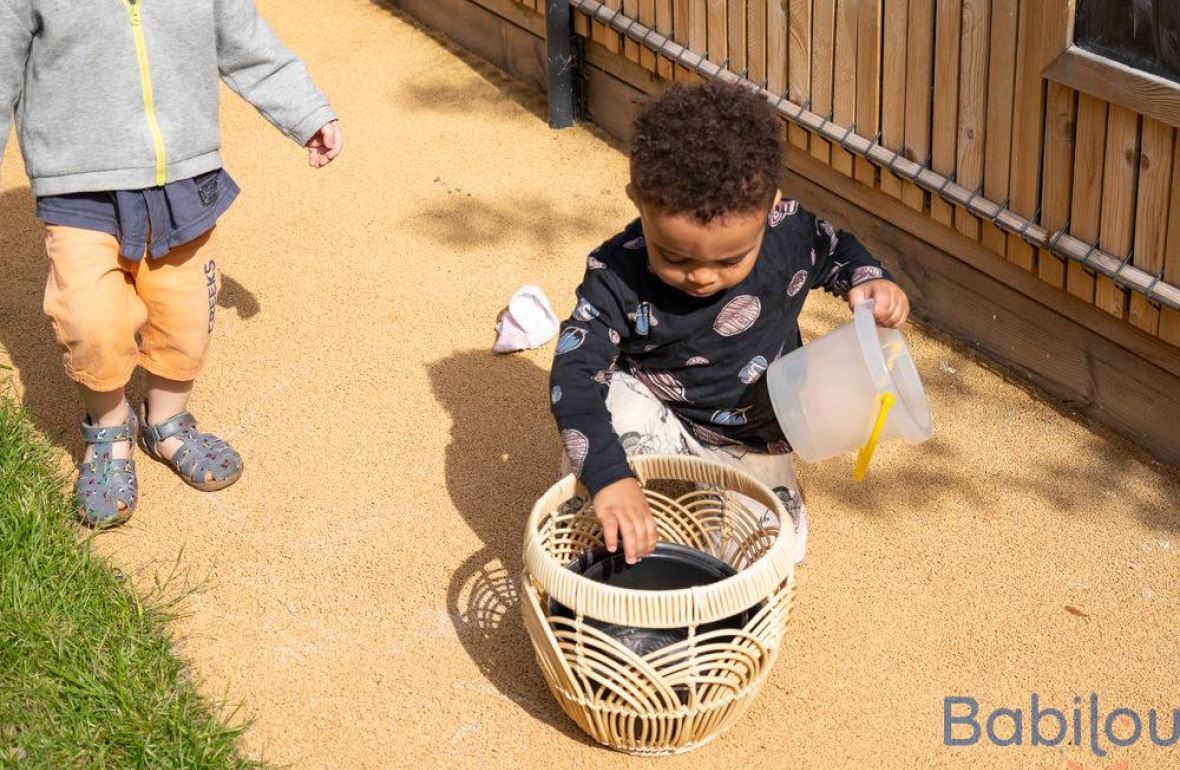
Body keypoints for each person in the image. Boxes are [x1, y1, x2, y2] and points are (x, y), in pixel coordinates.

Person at [0, 0, 342, 526]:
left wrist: (307, 111)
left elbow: (250, 47)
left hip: (186, 180)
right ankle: (109, 427)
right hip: (79, 188)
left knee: (185, 317)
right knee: (90, 319)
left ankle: (166, 421)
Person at [549, 81, 910, 565]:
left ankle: (764, 491)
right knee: (601, 454)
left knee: (766, 556)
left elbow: (837, 249)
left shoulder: (791, 233)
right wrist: (610, 477)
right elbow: (573, 375)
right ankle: (611, 489)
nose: (701, 276)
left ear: (770, 209)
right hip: (658, 406)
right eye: (673, 256)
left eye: (730, 260)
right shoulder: (617, 272)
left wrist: (870, 281)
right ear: (638, 200)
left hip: (754, 434)